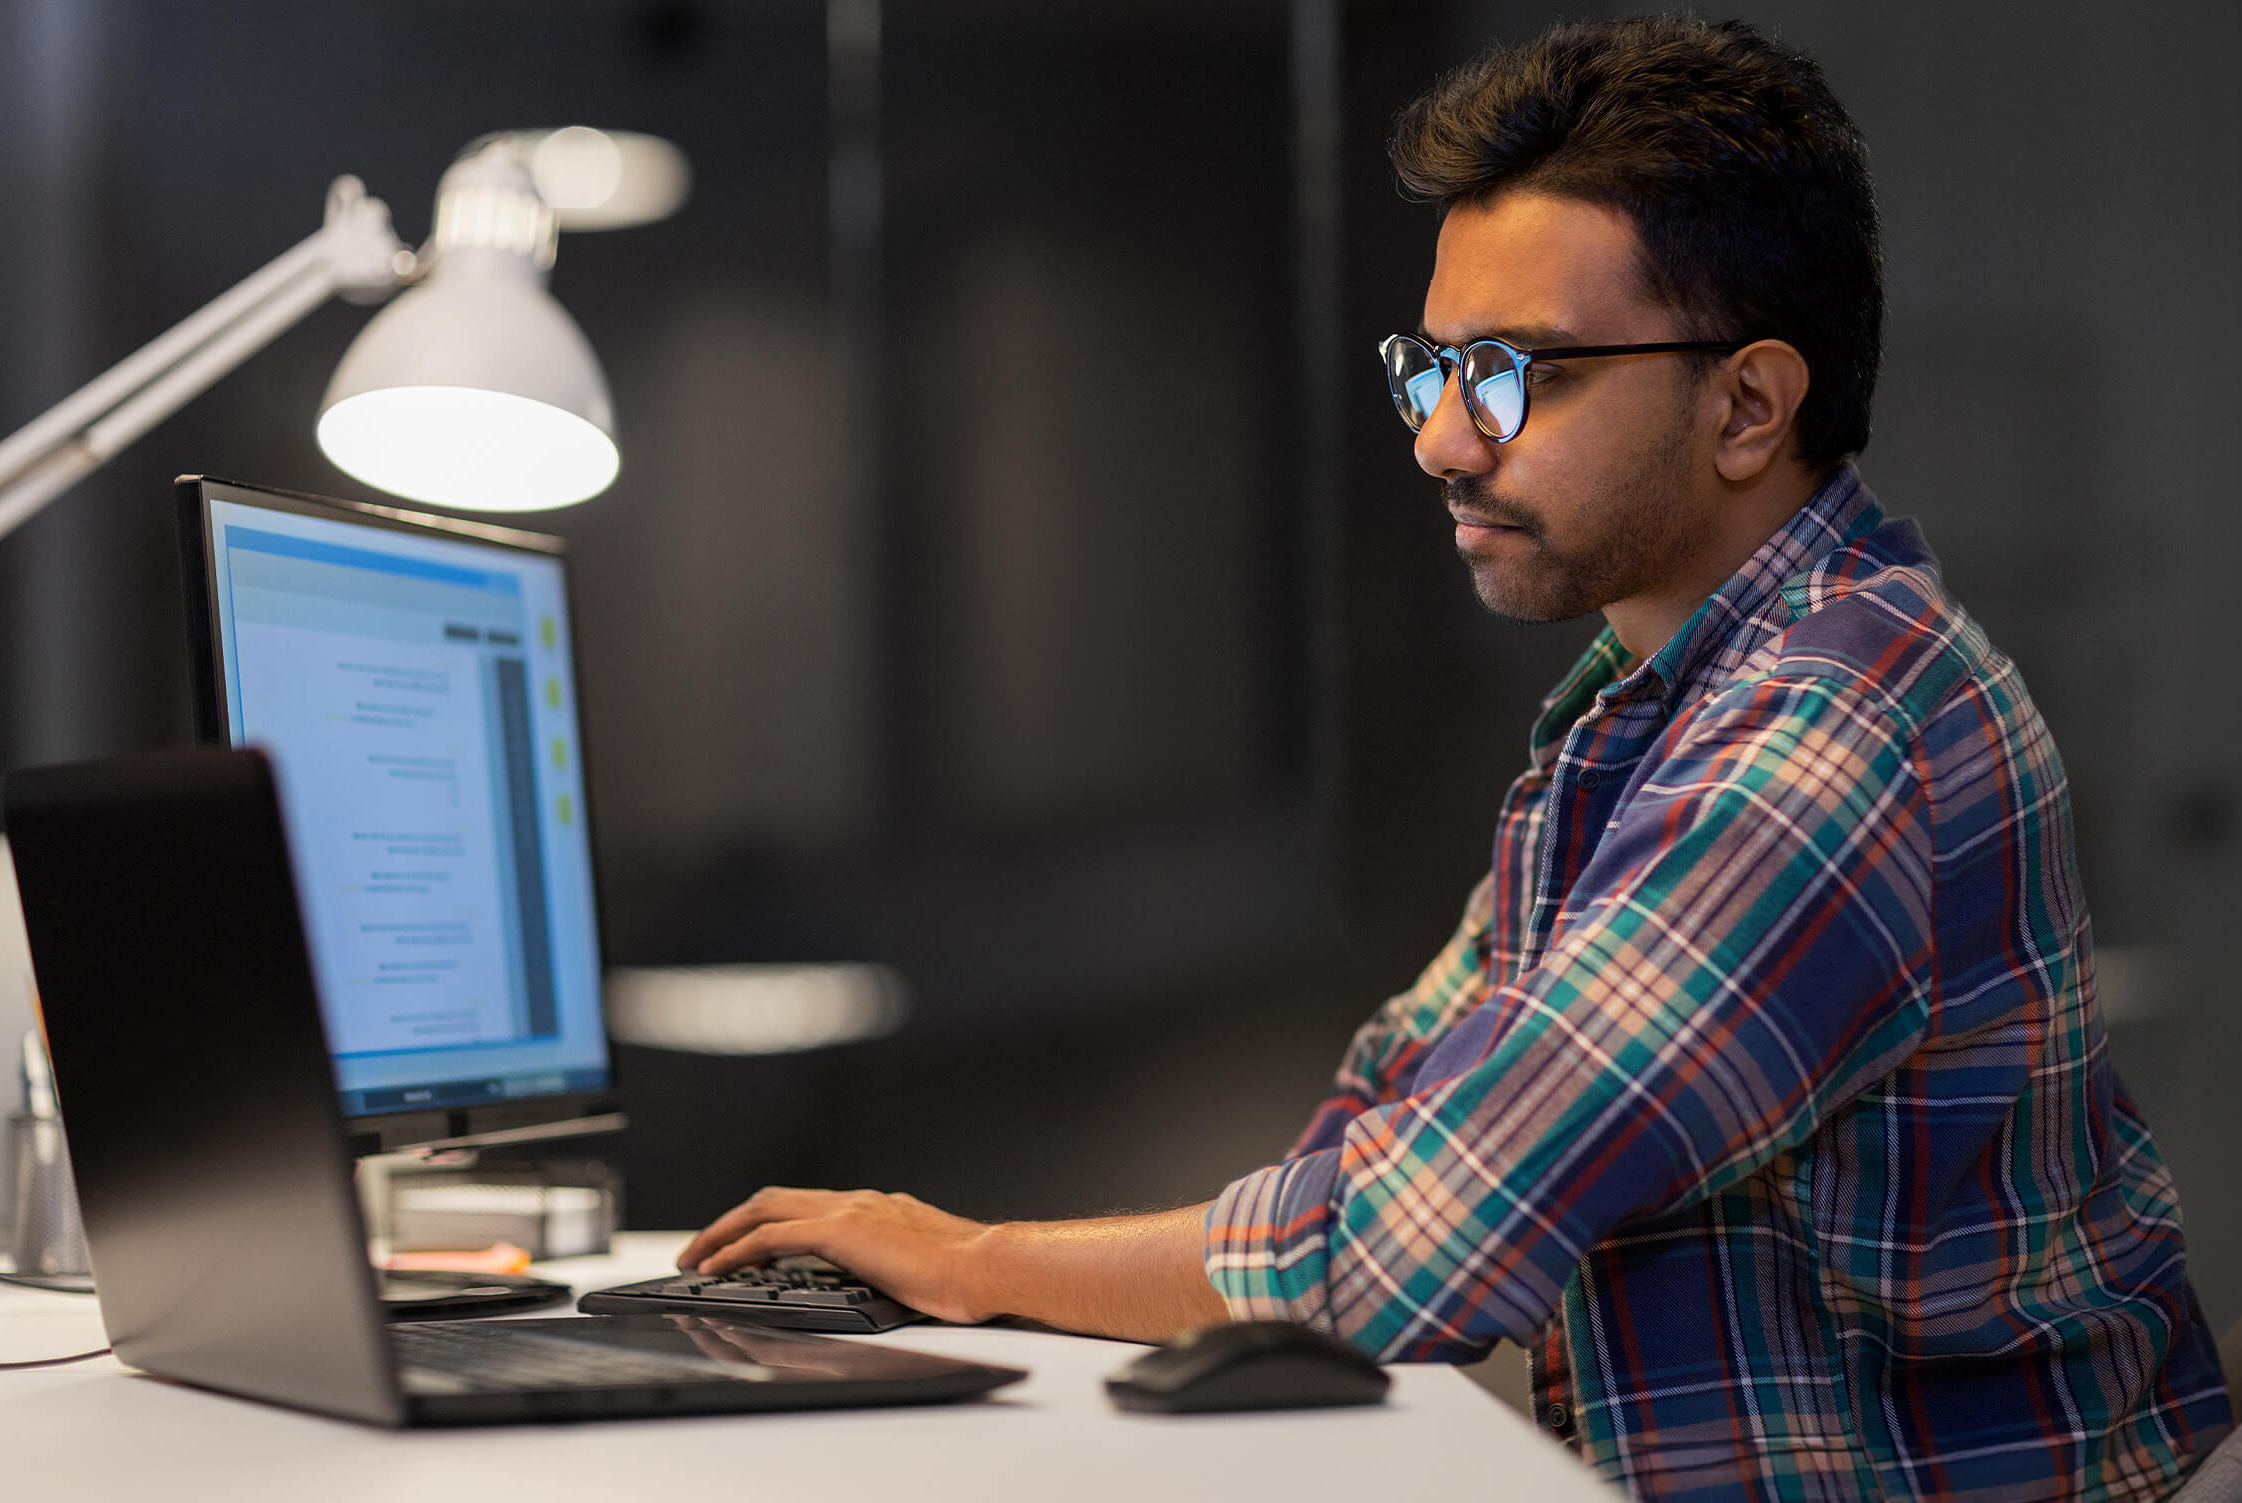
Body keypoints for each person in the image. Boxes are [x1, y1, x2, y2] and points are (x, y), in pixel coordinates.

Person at [677, 17, 2232, 1498]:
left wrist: (970, 1258)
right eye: (1430, 370)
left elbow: (1421, 1254)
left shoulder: (1825, 735)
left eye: (1515, 374)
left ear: (1749, 403)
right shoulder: (1655, 702)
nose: (1439, 442)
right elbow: (1390, 1113)